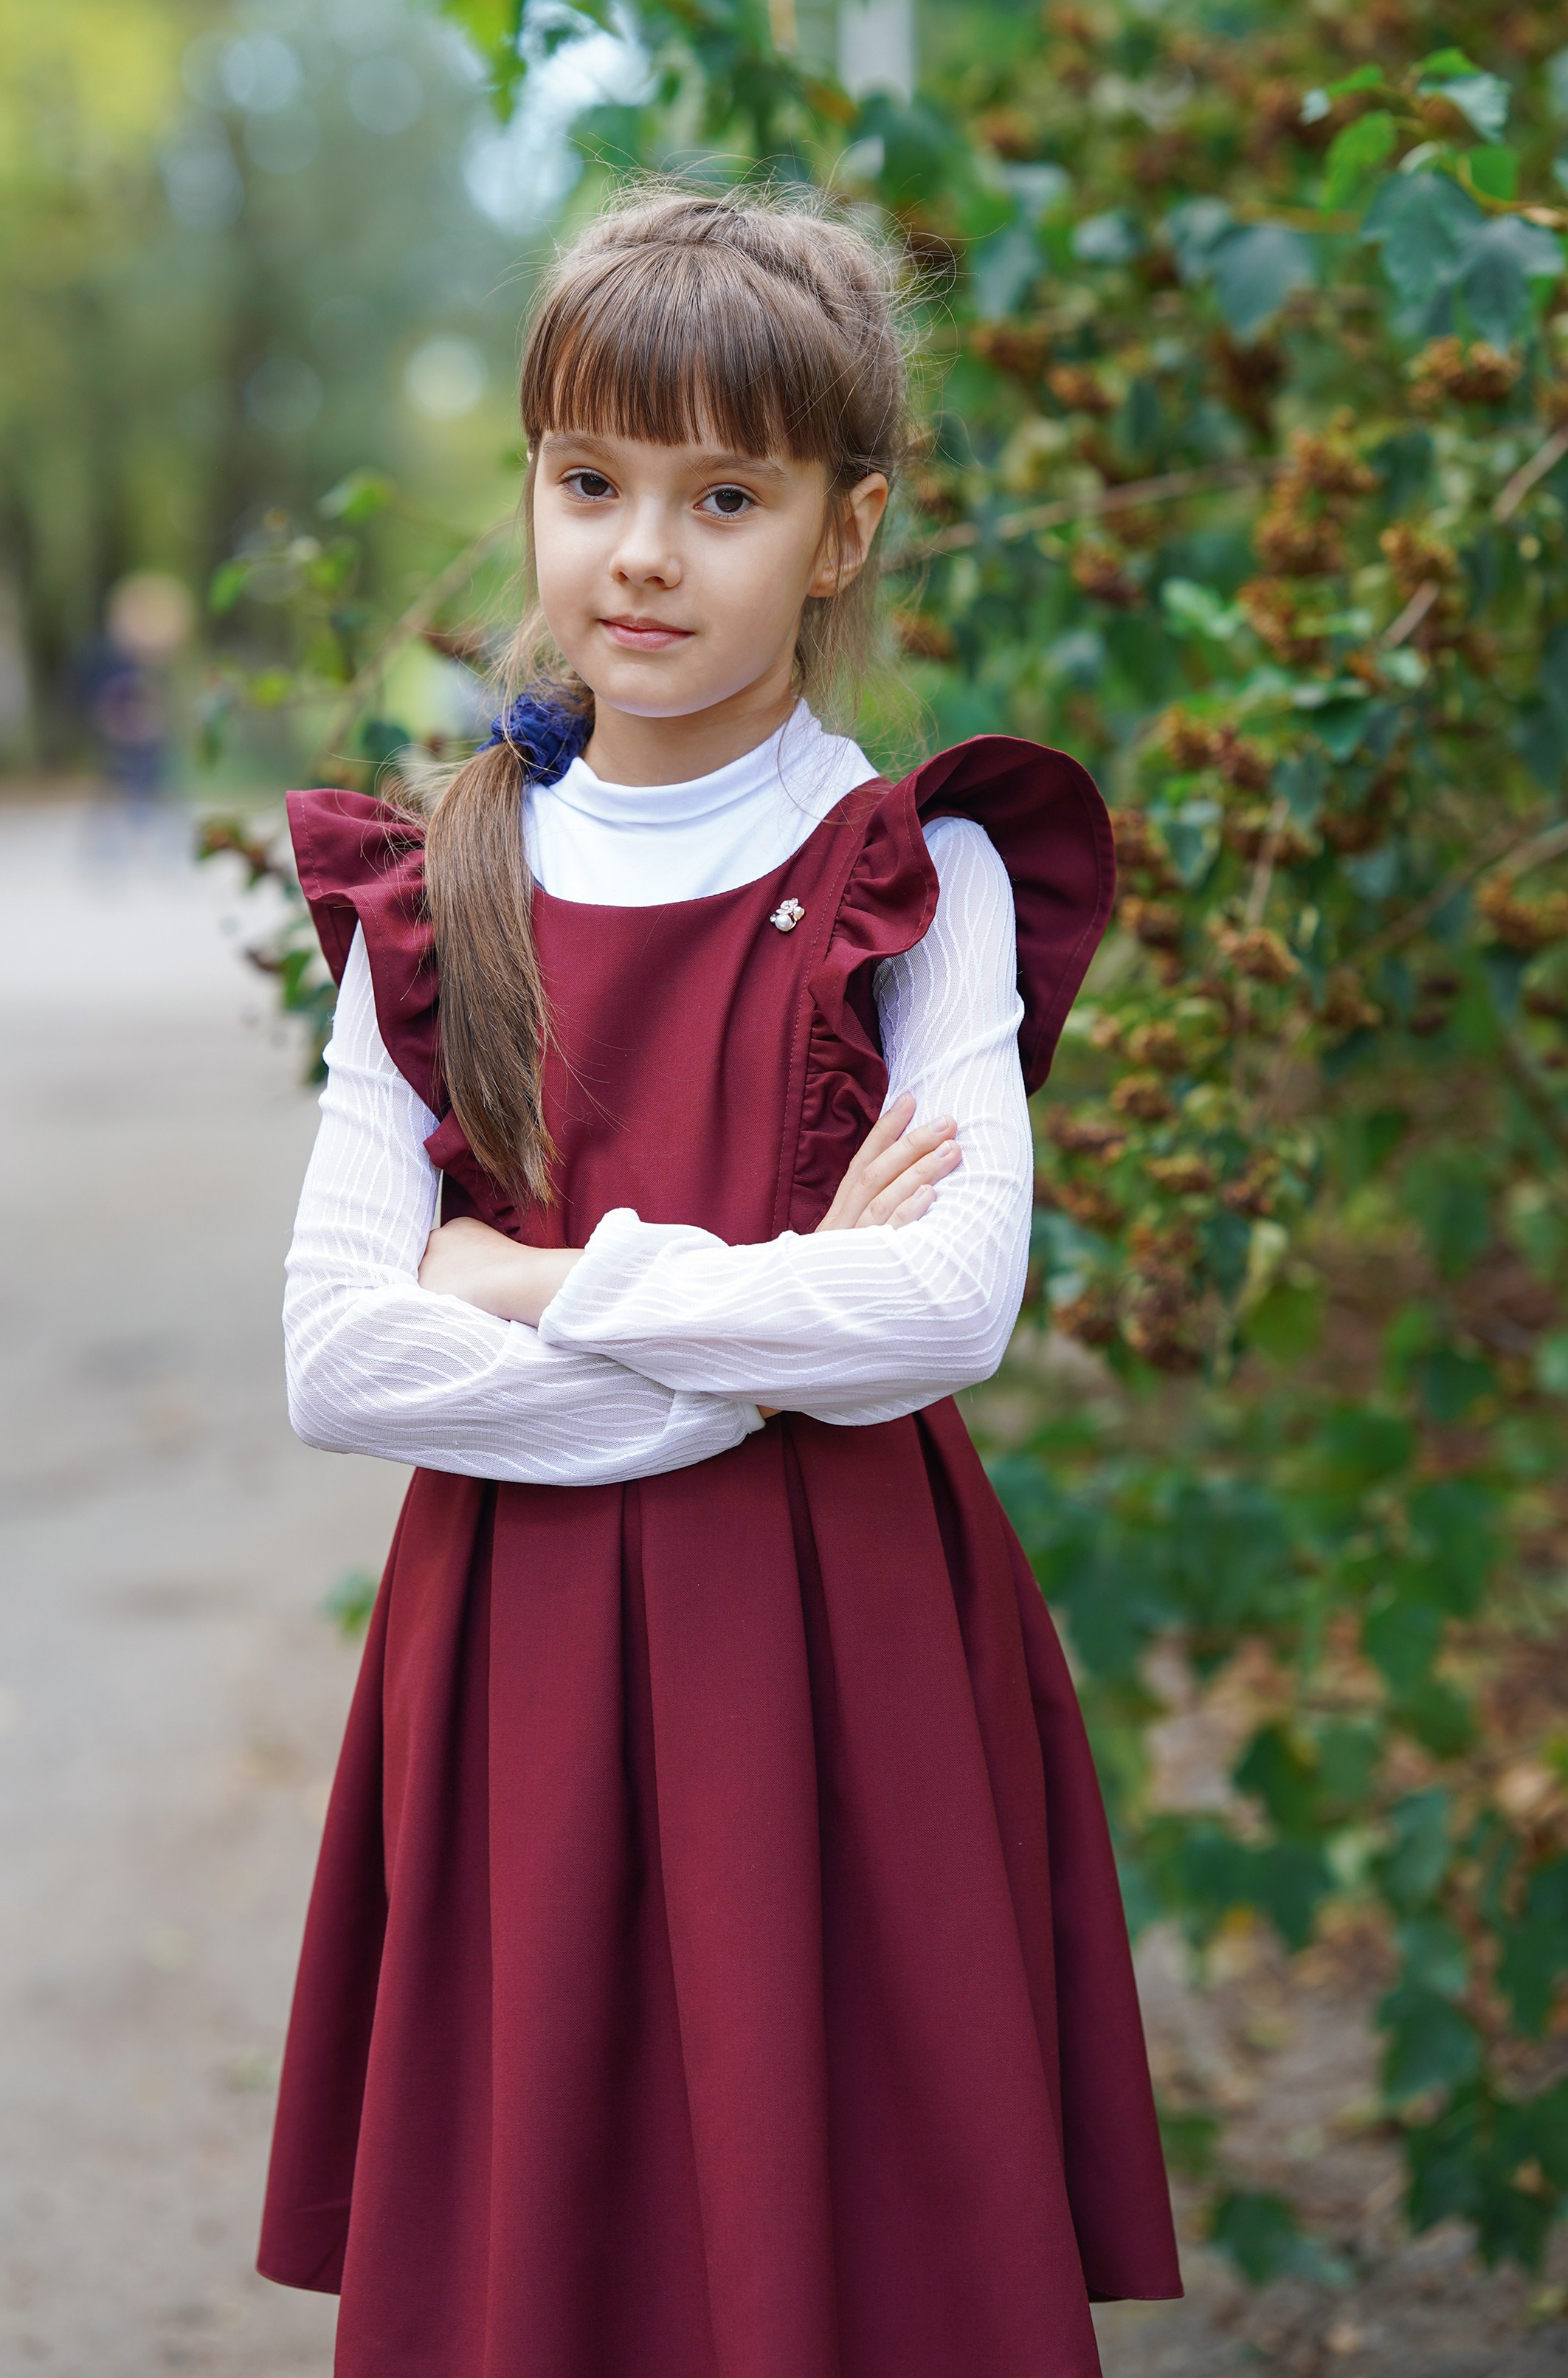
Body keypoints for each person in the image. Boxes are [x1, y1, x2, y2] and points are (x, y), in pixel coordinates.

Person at [260, 182, 1181, 2378]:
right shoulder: (443, 889)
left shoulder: (915, 872)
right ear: (535, 487)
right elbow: (330, 1348)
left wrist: (514, 1281)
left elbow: (946, 1310)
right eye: (592, 482)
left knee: (851, 2233)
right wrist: (767, 1333)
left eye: (726, 494)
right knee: (550, 2254)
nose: (643, 554)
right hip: (526, 1666)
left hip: (841, 1653)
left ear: (843, 531)